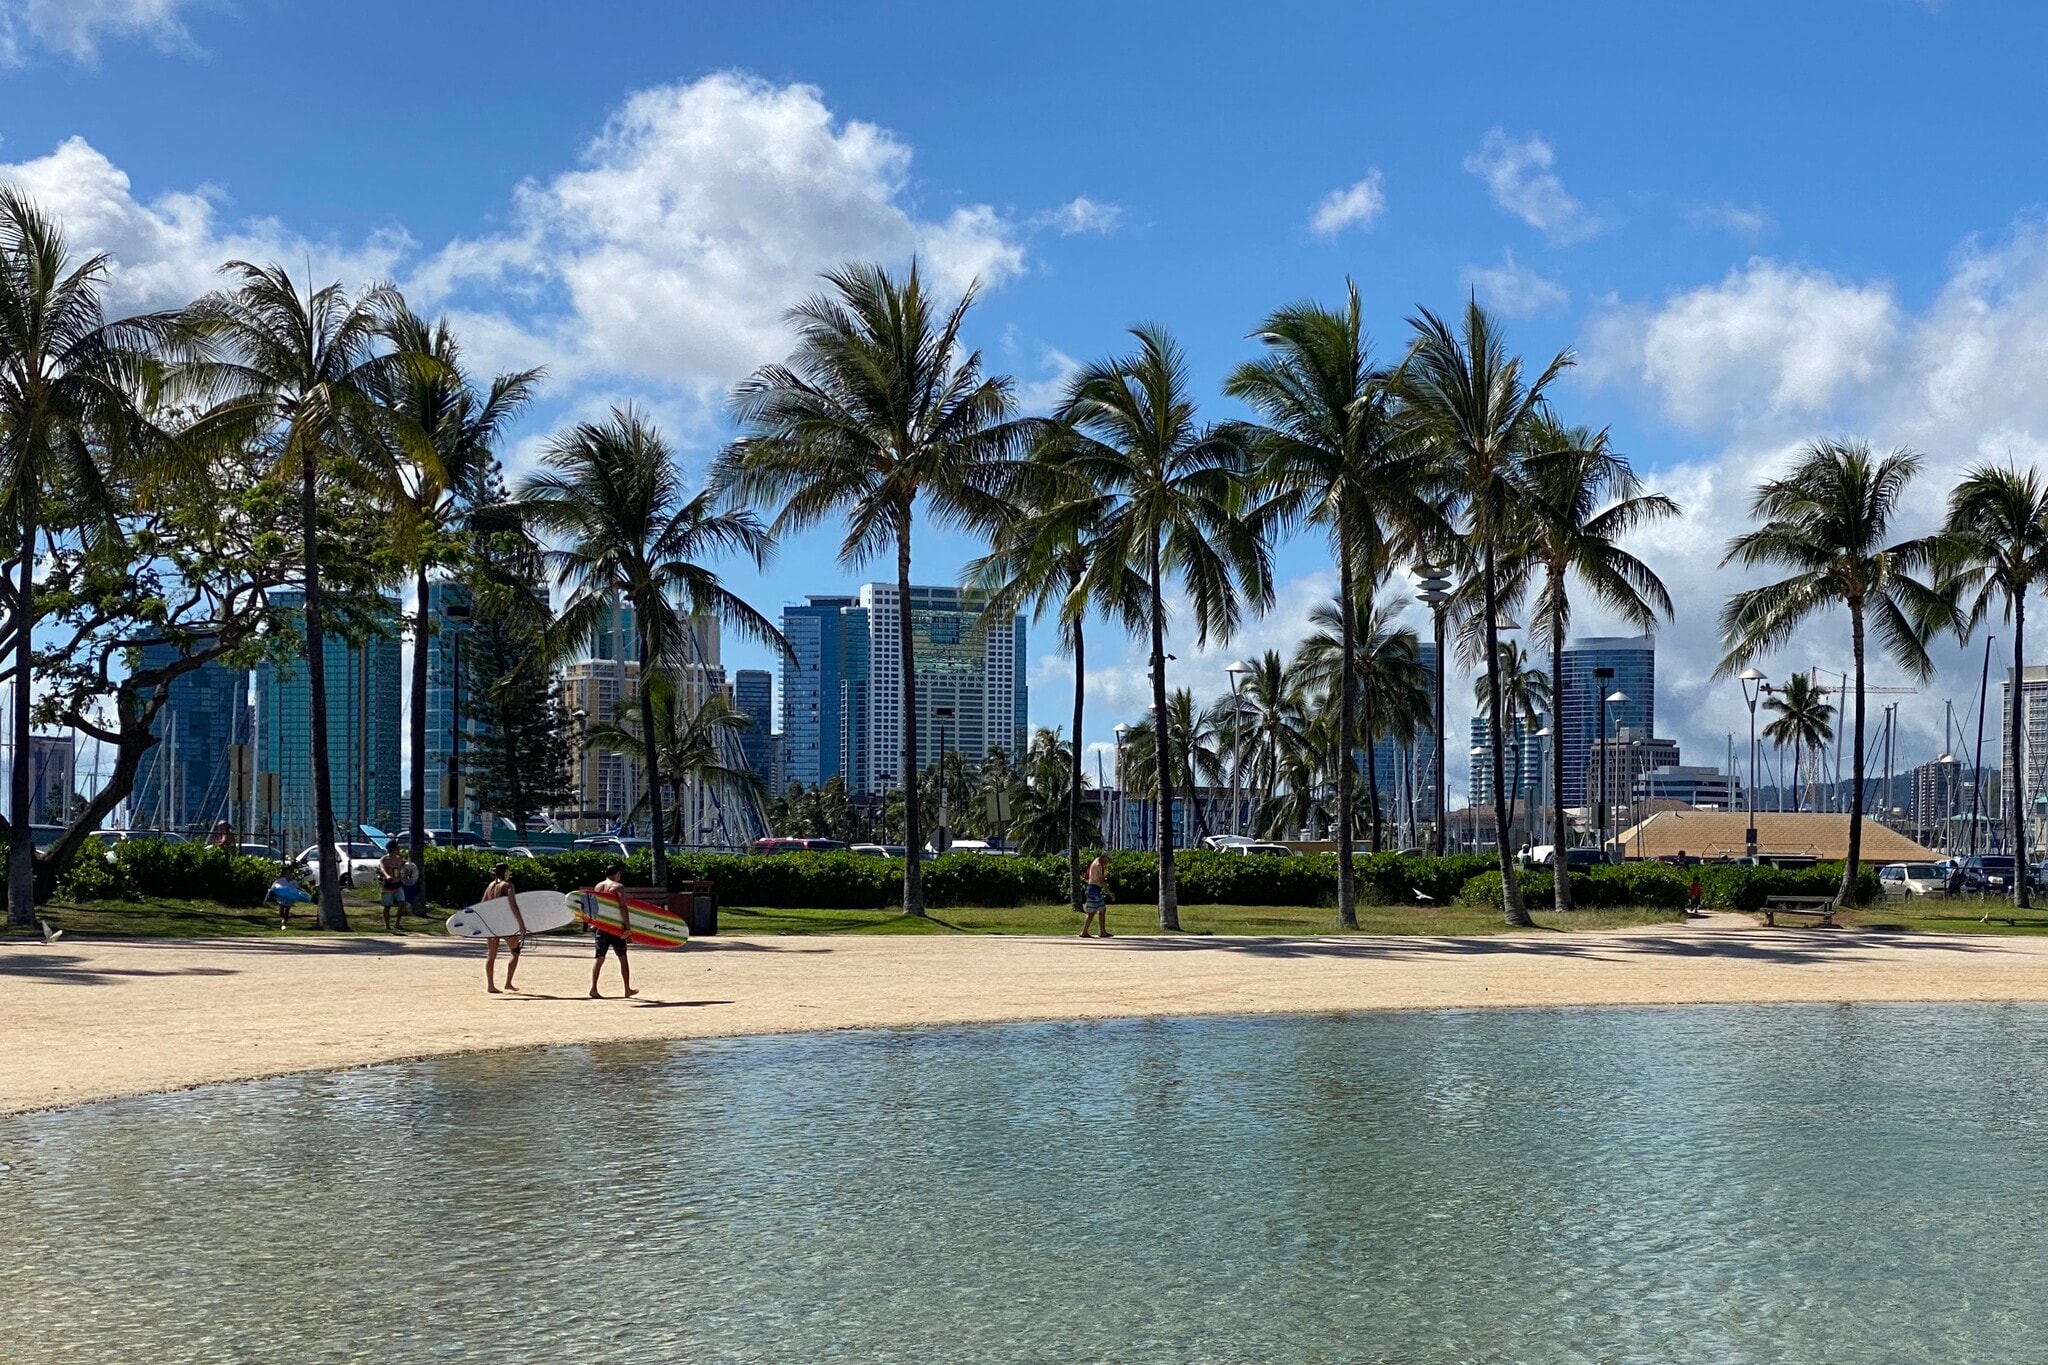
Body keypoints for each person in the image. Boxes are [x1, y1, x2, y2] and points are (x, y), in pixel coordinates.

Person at [589, 863, 637, 999]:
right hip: (616, 927)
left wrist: (594, 923)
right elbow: (622, 906)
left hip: (602, 926)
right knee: (622, 957)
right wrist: (627, 928)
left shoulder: (599, 886)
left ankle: (593, 988)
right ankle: (627, 989)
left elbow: (595, 905)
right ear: (617, 874)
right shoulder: (618, 887)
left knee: (599, 957)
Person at [480, 862, 527, 994]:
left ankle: (490, 985)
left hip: (492, 924)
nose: (509, 873)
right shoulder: (508, 885)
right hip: (505, 924)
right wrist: (521, 924)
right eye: (508, 871)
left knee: (491, 955)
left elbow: (483, 904)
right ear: (505, 871)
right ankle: (508, 983)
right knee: (515, 952)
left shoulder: (490, 886)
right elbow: (513, 906)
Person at [377, 840, 408, 933]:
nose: (399, 849)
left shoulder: (399, 859)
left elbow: (403, 869)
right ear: (393, 849)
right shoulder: (384, 859)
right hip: (388, 884)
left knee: (402, 903)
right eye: (397, 848)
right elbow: (382, 868)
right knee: (387, 906)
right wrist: (387, 875)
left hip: (398, 883)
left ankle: (397, 923)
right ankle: (387, 925)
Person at [1080, 852, 1112, 938]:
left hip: (1095, 890)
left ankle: (1102, 931)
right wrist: (1110, 893)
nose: (1107, 863)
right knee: (1092, 912)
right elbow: (1101, 880)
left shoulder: (1097, 862)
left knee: (1102, 909)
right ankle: (1084, 932)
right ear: (1104, 858)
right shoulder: (1098, 865)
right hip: (1093, 890)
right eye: (1108, 861)